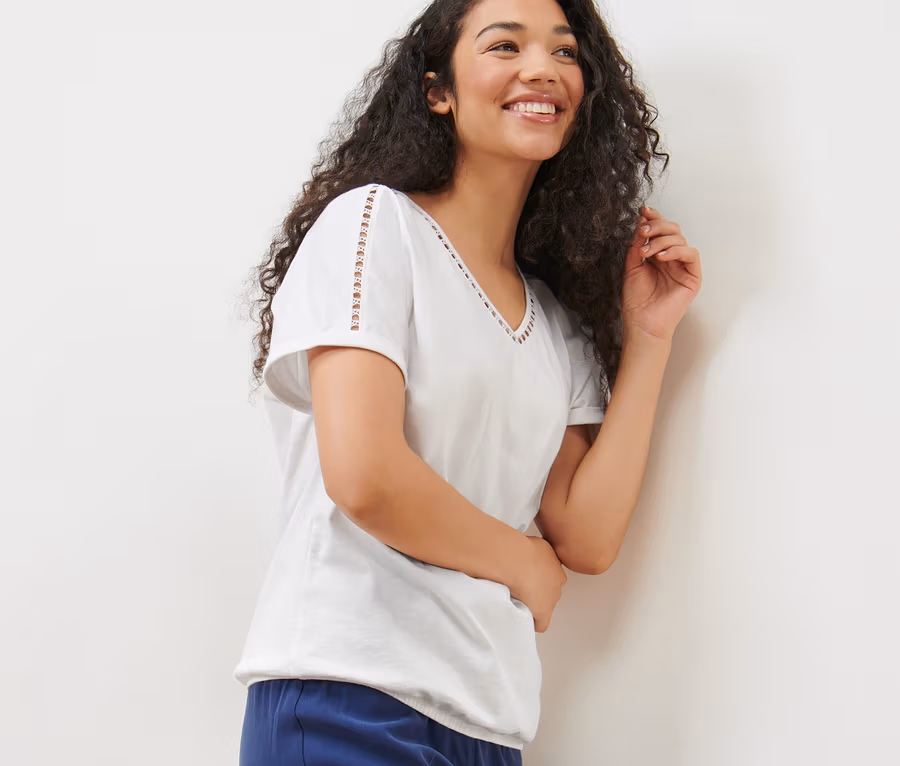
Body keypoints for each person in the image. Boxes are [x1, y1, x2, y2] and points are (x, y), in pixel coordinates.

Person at [235, 0, 702, 763]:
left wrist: (648, 340)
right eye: (504, 46)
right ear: (437, 91)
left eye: (564, 51)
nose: (541, 69)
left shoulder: (555, 320)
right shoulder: (373, 225)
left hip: (488, 721)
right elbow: (364, 475)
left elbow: (585, 535)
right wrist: (522, 564)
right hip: (347, 690)